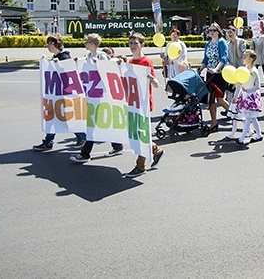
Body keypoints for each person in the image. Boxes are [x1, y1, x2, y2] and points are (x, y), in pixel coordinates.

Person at [70, 33, 125, 163]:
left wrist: (99, 64)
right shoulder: (88, 57)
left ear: (93, 44)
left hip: (101, 95)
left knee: (93, 124)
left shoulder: (102, 56)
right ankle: (117, 146)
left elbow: (109, 71)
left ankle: (85, 154)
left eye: (87, 42)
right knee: (100, 122)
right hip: (92, 95)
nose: (85, 44)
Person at [33, 33, 86, 151]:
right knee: (54, 116)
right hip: (57, 93)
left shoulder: (64, 57)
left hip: (64, 94)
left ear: (56, 44)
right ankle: (49, 140)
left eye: (50, 43)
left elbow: (68, 73)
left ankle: (81, 137)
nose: (48, 46)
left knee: (65, 116)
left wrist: (57, 65)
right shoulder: (57, 57)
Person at [124, 32, 165, 178]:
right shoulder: (129, 63)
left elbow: (156, 84)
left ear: (142, 45)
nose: (132, 46)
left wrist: (150, 78)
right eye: (130, 43)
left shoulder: (146, 62)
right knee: (137, 133)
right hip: (133, 102)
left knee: (142, 132)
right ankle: (156, 150)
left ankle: (140, 166)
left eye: (135, 43)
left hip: (144, 103)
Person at [200, 22, 230, 132]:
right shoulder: (208, 44)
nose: (211, 32)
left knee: (220, 99)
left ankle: (236, 114)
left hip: (220, 73)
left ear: (218, 31)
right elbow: (205, 59)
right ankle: (213, 122)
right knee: (211, 99)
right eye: (210, 30)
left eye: (213, 30)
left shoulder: (221, 42)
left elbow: (224, 57)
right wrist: (201, 68)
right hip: (210, 74)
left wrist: (216, 69)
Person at [233, 50, 263, 145]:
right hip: (245, 95)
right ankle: (259, 135)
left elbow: (258, 86)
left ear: (250, 59)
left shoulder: (253, 71)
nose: (243, 58)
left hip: (252, 95)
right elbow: (239, 84)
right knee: (252, 117)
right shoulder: (244, 70)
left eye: (245, 57)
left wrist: (248, 90)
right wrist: (236, 97)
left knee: (248, 117)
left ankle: (241, 138)